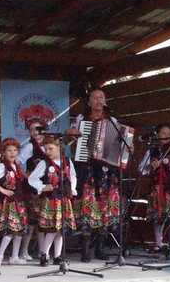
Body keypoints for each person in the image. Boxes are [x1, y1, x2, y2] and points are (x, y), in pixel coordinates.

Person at [74, 89, 121, 261]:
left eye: (101, 97)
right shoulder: (81, 120)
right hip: (87, 168)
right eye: (95, 98)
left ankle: (100, 248)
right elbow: (73, 137)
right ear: (89, 102)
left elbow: (118, 143)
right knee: (87, 207)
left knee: (104, 207)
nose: (98, 100)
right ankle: (85, 249)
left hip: (106, 171)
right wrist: (74, 134)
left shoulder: (112, 121)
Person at [139, 125, 170, 258]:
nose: (165, 136)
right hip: (156, 188)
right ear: (158, 134)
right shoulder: (152, 150)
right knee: (157, 218)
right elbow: (142, 169)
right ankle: (159, 244)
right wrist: (151, 166)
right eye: (163, 133)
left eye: (168, 133)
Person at [28, 136, 77, 267]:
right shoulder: (44, 163)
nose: (47, 151)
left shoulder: (67, 161)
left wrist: (72, 188)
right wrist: (43, 187)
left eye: (51, 148)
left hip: (64, 199)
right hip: (51, 200)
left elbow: (72, 175)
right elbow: (32, 178)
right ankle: (44, 254)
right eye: (46, 149)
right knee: (51, 229)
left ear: (59, 148)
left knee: (60, 230)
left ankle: (57, 256)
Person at [0, 138, 28, 267]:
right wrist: (3, 190)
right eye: (9, 150)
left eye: (15, 150)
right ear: (3, 152)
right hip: (9, 203)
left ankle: (14, 256)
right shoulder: (2, 166)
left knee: (19, 230)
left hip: (19, 201)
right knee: (10, 230)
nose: (12, 153)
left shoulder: (17, 166)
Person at [16, 118, 47, 261]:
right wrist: (25, 176)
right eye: (33, 129)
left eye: (39, 128)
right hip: (32, 188)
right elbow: (16, 162)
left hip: (46, 187)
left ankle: (43, 251)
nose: (36, 132)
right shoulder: (29, 147)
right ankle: (24, 251)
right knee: (31, 221)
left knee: (42, 220)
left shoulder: (49, 146)